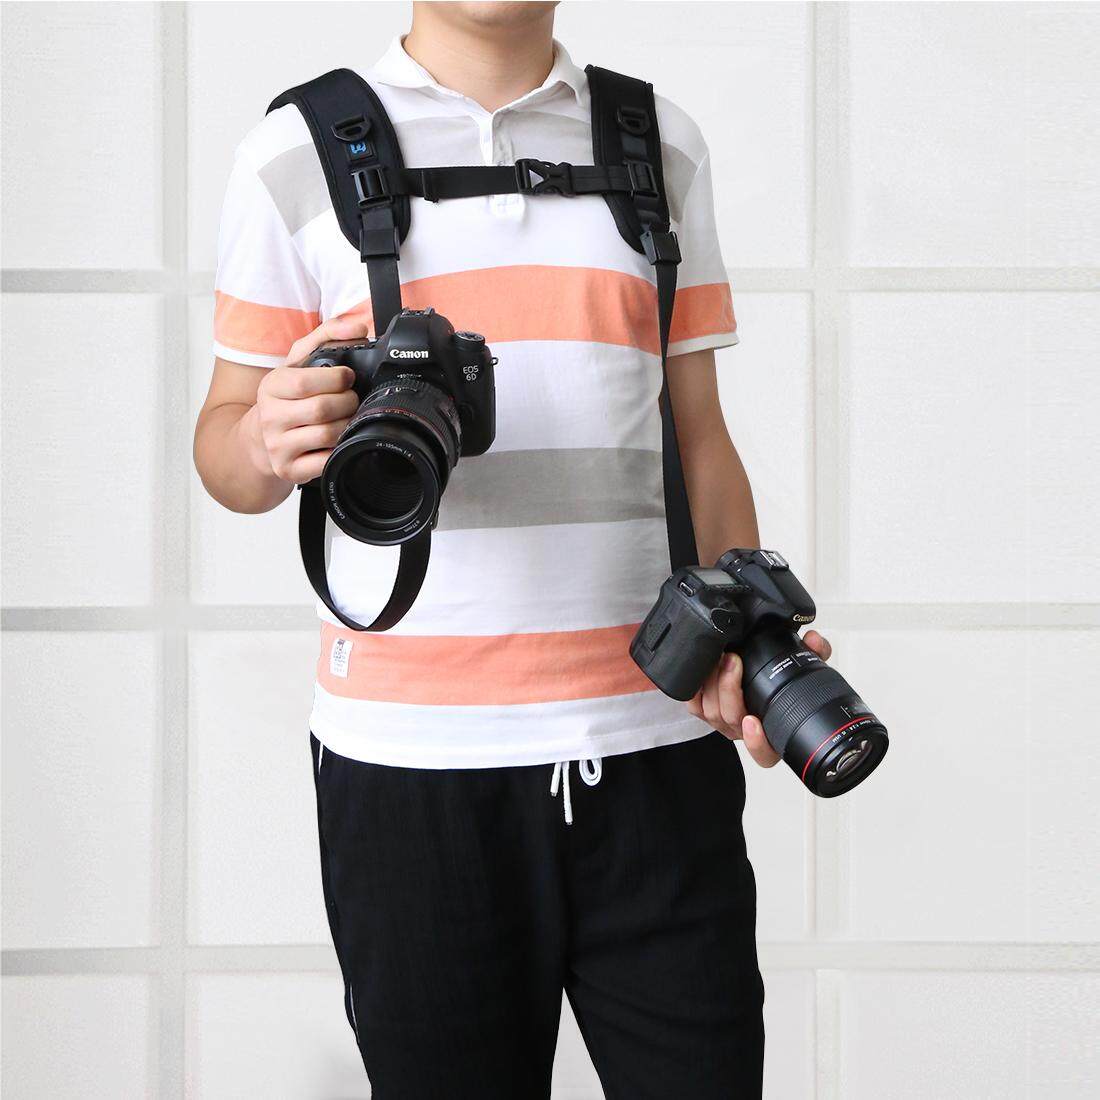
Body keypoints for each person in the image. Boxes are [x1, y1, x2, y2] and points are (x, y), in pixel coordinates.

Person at [194, 3, 831, 1096]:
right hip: (411, 765)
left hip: (654, 736)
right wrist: (261, 439)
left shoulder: (656, 141)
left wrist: (750, 638)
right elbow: (224, 447)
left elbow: (697, 434)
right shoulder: (292, 151)